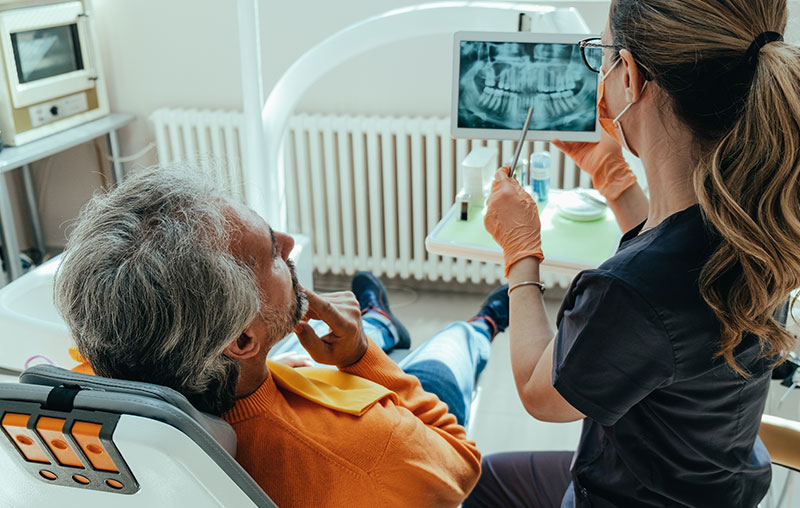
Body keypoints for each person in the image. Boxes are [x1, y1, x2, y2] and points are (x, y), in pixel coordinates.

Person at [466, 0, 800, 507]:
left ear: (628, 74)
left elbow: (542, 395)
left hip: (635, 495)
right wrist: (614, 177)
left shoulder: (628, 292)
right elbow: (674, 260)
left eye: (599, 54)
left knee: (476, 481)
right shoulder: (758, 223)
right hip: (709, 481)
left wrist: (520, 252)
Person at [54, 167, 510, 508]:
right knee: (444, 358)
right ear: (242, 342)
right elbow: (461, 462)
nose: (289, 243)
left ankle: (381, 321)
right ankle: (480, 325)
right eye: (271, 252)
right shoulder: (372, 447)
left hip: (287, 378)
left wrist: (279, 369)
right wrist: (362, 357)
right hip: (400, 414)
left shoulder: (93, 412)